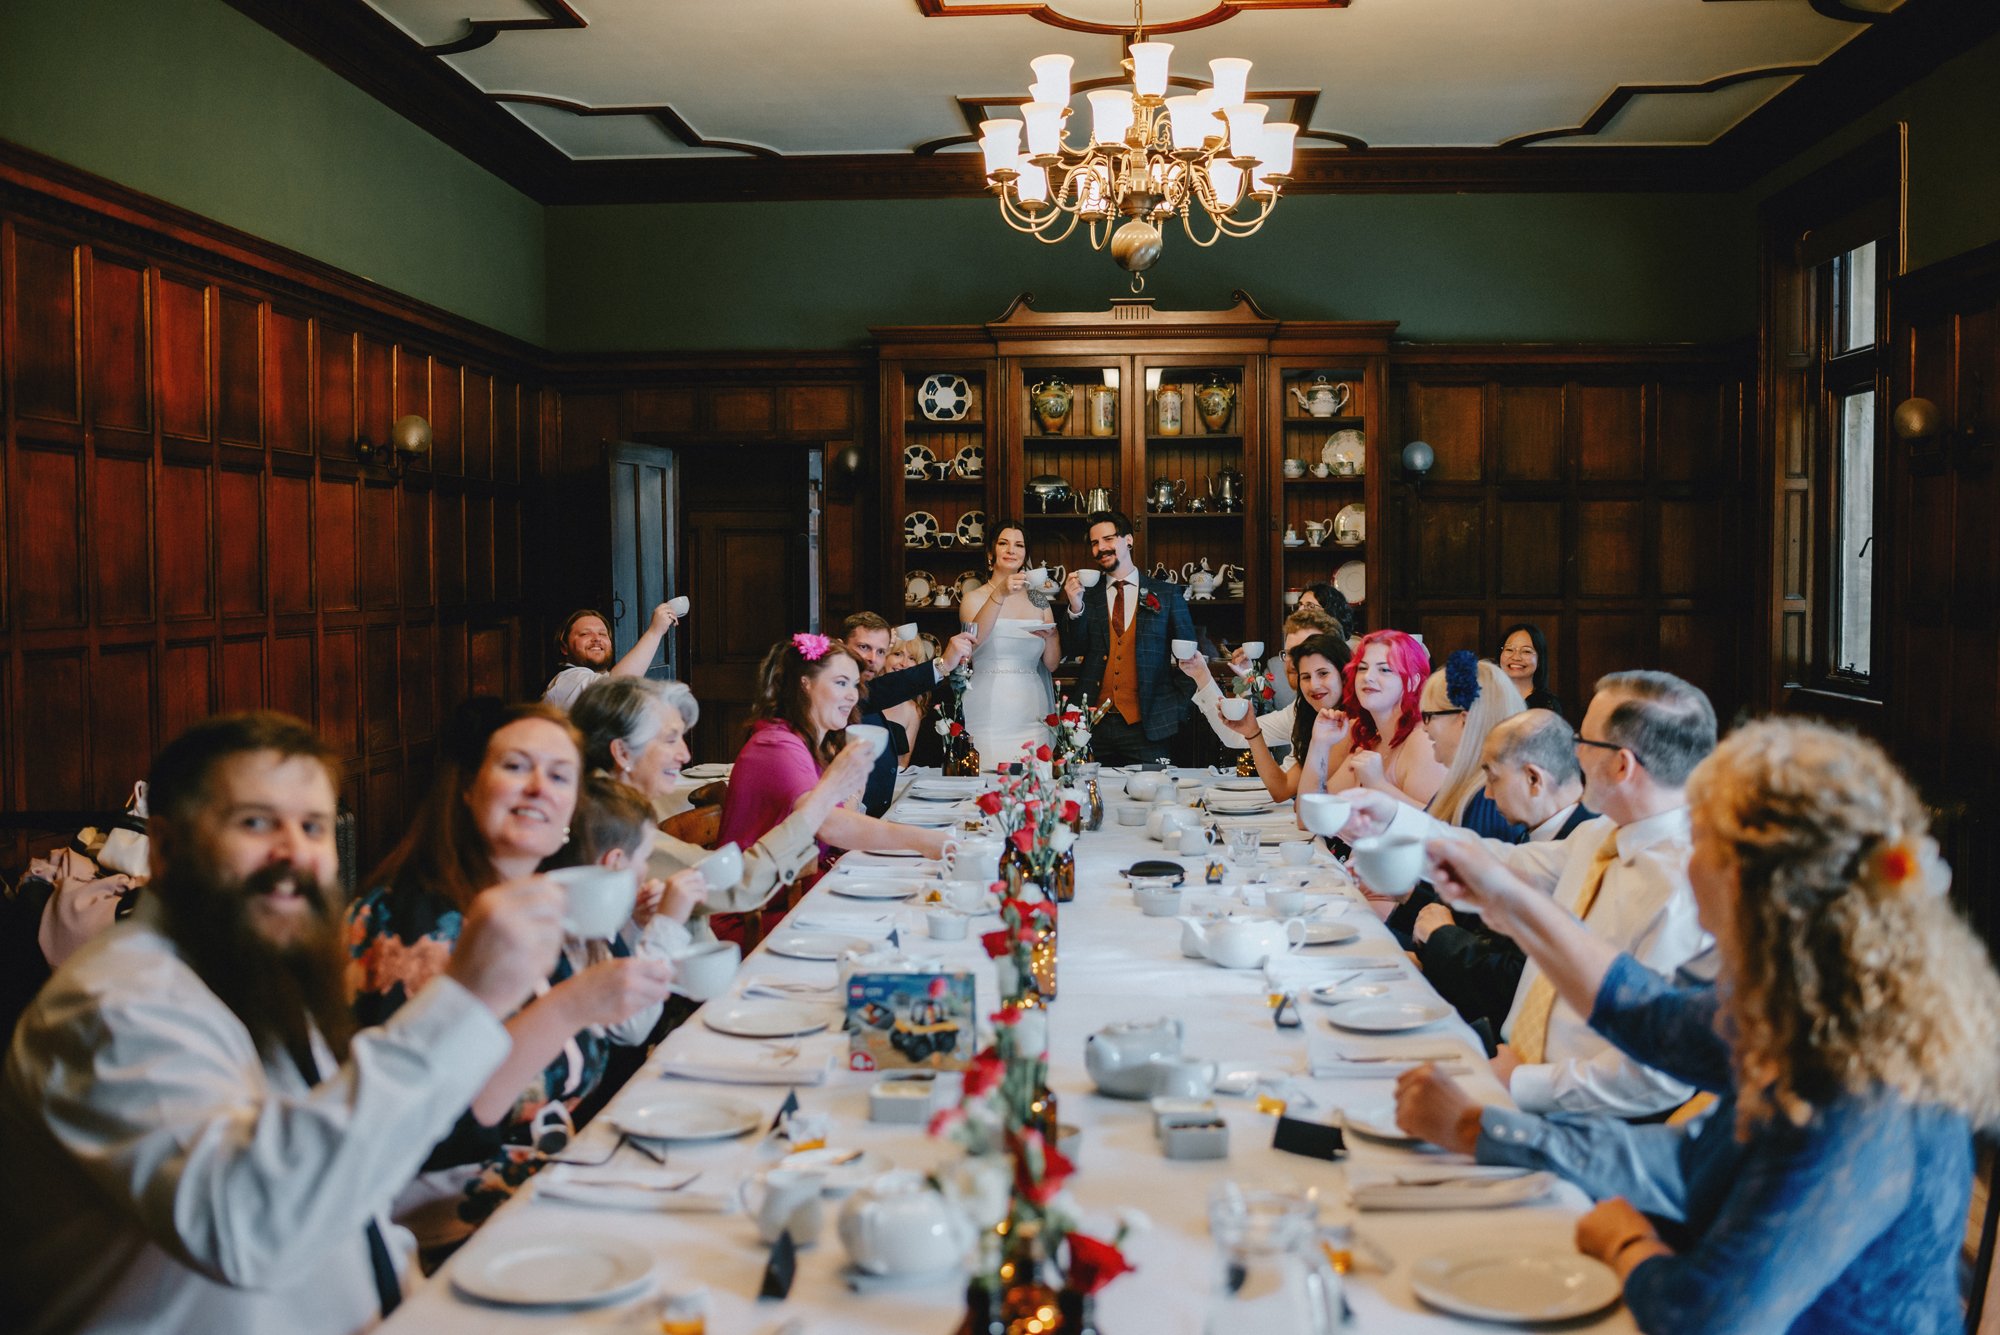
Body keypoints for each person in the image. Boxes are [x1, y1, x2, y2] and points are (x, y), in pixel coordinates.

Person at [1390, 718, 2000, 1333]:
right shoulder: (1809, 999)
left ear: (1750, 881)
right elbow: (1652, 1029)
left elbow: (1709, 1316)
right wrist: (1483, 1128)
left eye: (1698, 838)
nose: (1684, 861)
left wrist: (1626, 1243)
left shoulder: (1859, 1087)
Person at [0, 712, 567, 1334]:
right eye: (256, 822)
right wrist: (464, 999)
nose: (294, 852)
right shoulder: (114, 1005)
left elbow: (342, 1188)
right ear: (165, 846)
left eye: (313, 826)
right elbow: (250, 1226)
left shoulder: (252, 962)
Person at [345, 700, 679, 1251]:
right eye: (516, 766)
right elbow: (429, 1132)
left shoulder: (544, 900)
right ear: (468, 787)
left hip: (545, 1201)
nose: (539, 787)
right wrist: (571, 1006)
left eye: (560, 775)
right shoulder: (411, 920)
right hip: (447, 1237)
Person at [1337, 670, 1715, 1117]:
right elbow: (1502, 865)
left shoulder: (1685, 889)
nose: (1573, 754)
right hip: (1507, 1057)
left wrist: (1519, 1084)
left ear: (1622, 765)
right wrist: (1393, 822)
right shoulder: (1600, 835)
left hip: (1575, 1116)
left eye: (1584, 742)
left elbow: (1654, 1075)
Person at [571, 675, 873, 923]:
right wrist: (826, 795)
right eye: (670, 739)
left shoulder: (616, 808)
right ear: (622, 752)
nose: (685, 755)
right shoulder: (609, 825)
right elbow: (741, 883)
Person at [1409, 709, 1595, 1033]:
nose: (1488, 793)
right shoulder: (1536, 830)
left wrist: (1440, 938)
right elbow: (1484, 919)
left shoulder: (1583, 850)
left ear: (1534, 779)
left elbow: (1512, 981)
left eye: (1493, 777)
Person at [718, 634, 949, 885]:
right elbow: (830, 826)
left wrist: (854, 785)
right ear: (805, 684)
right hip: (762, 899)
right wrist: (923, 840)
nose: (852, 696)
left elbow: (839, 824)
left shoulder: (813, 743)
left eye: (854, 685)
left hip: (798, 881)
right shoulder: (777, 745)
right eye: (841, 683)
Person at [1058, 509, 1199, 765]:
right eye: (1095, 543)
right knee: (1087, 790)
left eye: (1108, 539)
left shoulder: (1166, 595)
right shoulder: (1087, 595)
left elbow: (1189, 660)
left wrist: (1176, 709)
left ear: (1129, 540)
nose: (1101, 548)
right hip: (1091, 726)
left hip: (1149, 727)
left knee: (1153, 790)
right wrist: (1075, 607)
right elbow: (1072, 649)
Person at [1296, 629, 1446, 810]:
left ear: (1412, 682)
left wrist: (1378, 785)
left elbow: (1438, 823)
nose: (1368, 677)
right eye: (1362, 668)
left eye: (1384, 669)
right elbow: (1311, 814)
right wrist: (1319, 744)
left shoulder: (1423, 740)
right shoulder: (1371, 740)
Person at [839, 612, 972, 814]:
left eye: (881, 651)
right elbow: (884, 689)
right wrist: (943, 664)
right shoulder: (837, 689)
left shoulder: (875, 693)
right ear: (840, 646)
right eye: (863, 647)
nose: (872, 659)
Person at [959, 524, 1060, 770]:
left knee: (1035, 778)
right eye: (1003, 543)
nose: (1011, 550)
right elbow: (973, 644)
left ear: (1025, 555)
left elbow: (1051, 664)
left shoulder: (1039, 599)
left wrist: (1052, 635)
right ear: (990, 553)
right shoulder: (973, 598)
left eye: (1019, 545)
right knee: (987, 776)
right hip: (987, 704)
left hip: (1031, 706)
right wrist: (1000, 594)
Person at [1210, 631, 1351, 803]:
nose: (1314, 685)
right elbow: (1281, 789)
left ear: (1344, 675)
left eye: (1323, 673)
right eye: (1306, 677)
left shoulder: (1352, 725)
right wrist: (1252, 732)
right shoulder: (1312, 717)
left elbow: (1304, 805)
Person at [1180, 606, 1340, 757]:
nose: (1292, 662)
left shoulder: (1352, 718)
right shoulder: (1298, 712)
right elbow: (1237, 735)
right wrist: (1201, 674)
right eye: (1288, 653)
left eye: (1305, 652)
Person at [542, 602, 682, 711]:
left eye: (602, 634)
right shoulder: (567, 680)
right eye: (585, 634)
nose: (596, 638)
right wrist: (655, 631)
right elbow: (615, 687)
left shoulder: (598, 679)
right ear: (564, 648)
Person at [881, 633, 942, 769]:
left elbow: (902, 765)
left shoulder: (913, 710)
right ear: (883, 657)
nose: (904, 663)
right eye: (897, 654)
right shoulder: (861, 695)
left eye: (912, 658)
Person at [1499, 621, 1564, 717]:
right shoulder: (1485, 696)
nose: (1516, 657)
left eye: (1526, 651)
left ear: (1539, 660)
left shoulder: (1547, 704)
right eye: (1509, 649)